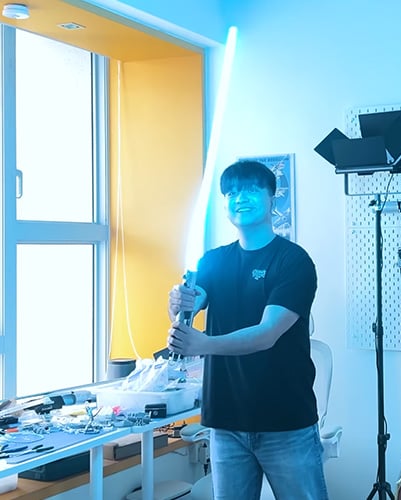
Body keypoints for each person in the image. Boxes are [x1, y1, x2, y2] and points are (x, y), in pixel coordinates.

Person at [167, 160, 328, 500]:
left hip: (286, 421)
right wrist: (179, 302)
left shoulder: (293, 261)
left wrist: (203, 344)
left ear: (272, 199)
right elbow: (192, 304)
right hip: (226, 421)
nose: (241, 198)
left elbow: (267, 333)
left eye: (252, 189)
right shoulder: (213, 261)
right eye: (232, 192)